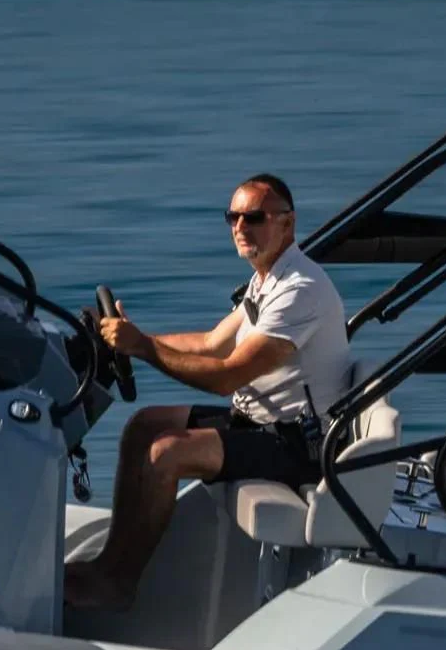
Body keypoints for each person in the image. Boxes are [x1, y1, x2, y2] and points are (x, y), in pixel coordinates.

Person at [64, 174, 352, 610]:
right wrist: (135, 338)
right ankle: (110, 564)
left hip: (299, 445)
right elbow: (212, 343)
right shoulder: (267, 279)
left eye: (254, 217)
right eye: (232, 217)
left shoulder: (300, 291)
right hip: (259, 421)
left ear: (287, 225)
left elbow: (226, 377)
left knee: (166, 453)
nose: (240, 227)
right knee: (144, 424)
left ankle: (121, 584)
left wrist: (141, 348)